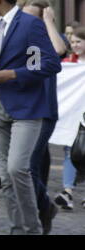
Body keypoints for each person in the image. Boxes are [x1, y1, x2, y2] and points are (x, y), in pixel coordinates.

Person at [0, 0, 62, 235]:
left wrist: (13, 74)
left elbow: (50, 64)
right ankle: (17, 229)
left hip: (27, 109)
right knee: (5, 177)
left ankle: (32, 229)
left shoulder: (31, 25)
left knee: (18, 169)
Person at [4, 0, 64, 234]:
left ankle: (43, 207)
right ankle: (41, 208)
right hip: (21, 109)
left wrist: (49, 21)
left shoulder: (46, 38)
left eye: (32, 18)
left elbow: (60, 49)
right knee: (28, 165)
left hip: (44, 110)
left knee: (25, 165)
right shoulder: (21, 37)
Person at [54, 30, 85, 211]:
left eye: (79, 41)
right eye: (72, 42)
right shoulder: (67, 64)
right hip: (73, 115)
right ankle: (68, 192)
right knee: (70, 151)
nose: (75, 45)